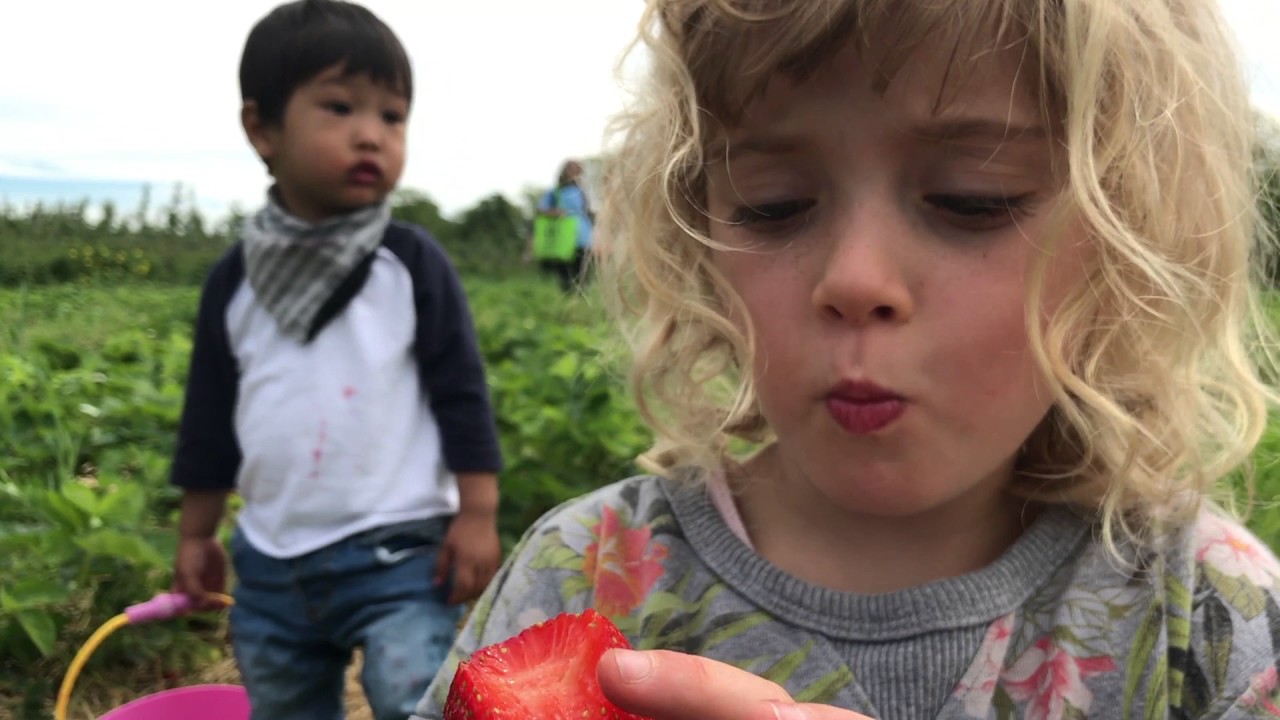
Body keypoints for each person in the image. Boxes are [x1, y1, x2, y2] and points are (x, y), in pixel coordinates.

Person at [415, 0, 1280, 719]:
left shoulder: (1209, 619)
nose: (855, 279)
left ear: (1127, 239)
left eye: (972, 198)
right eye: (773, 204)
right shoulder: (584, 573)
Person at [167, 2, 504, 719]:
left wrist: (477, 513)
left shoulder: (408, 263)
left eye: (392, 116)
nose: (370, 134)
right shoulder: (235, 280)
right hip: (271, 561)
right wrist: (197, 533)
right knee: (285, 706)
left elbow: (461, 393)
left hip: (400, 553)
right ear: (262, 128)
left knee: (415, 699)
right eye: (341, 107)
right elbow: (210, 419)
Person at [528, 159, 596, 291]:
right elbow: (540, 210)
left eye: (577, 170)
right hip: (562, 236)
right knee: (564, 268)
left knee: (582, 267)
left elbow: (589, 212)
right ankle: (567, 293)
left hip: (582, 235)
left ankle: (581, 295)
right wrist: (556, 212)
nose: (574, 173)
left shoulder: (583, 192)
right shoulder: (555, 192)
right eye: (571, 169)